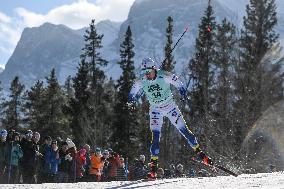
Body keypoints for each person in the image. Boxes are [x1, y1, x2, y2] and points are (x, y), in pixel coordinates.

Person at [128, 57, 212, 178]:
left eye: (148, 72)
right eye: (144, 73)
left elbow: (180, 84)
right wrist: (130, 103)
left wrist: (183, 94)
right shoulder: (141, 81)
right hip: (155, 109)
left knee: (186, 132)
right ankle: (153, 169)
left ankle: (201, 154)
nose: (146, 75)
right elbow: (131, 94)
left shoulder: (164, 75)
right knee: (155, 138)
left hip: (170, 107)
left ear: (154, 69)